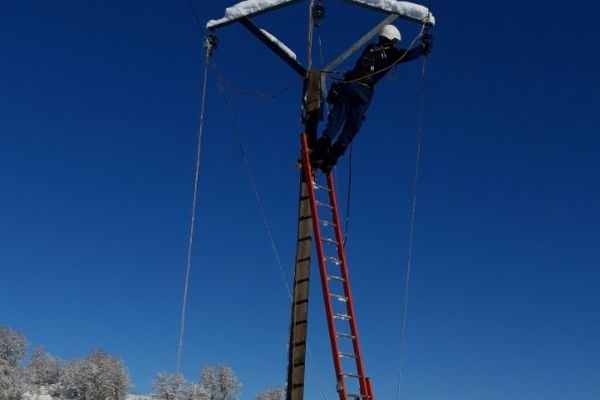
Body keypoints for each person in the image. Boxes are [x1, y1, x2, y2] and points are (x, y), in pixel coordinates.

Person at [310, 24, 433, 172]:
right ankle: (331, 157)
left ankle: (320, 151)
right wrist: (423, 47)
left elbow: (359, 69)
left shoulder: (370, 49)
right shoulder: (390, 52)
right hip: (364, 92)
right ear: (393, 39)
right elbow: (408, 55)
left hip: (350, 86)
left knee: (337, 117)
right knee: (352, 125)